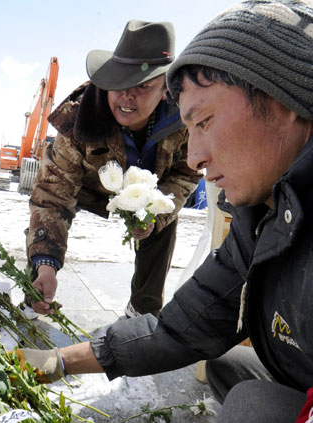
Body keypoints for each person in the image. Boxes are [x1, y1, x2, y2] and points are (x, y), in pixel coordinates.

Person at [18, 1, 313, 421]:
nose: (195, 157)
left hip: (151, 200)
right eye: (191, 129)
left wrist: (157, 213)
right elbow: (184, 326)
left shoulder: (178, 128)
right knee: (227, 365)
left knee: (252, 405)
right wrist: (61, 359)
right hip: (95, 192)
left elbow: (180, 181)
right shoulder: (259, 218)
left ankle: (144, 299)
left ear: (283, 100)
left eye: (205, 121)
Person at [26, 19, 202, 318]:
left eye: (144, 86)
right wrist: (46, 264)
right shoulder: (78, 122)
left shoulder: (187, 119)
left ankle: (143, 311)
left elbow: (187, 173)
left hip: (147, 193)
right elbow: (52, 198)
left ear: (165, 89)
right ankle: (38, 290)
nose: (127, 96)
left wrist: (154, 215)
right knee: (46, 238)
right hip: (89, 188)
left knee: (163, 217)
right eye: (119, 84)